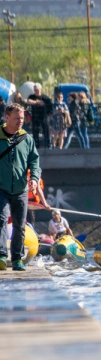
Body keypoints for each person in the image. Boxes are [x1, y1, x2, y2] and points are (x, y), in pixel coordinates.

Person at [0, 103, 41, 270]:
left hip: (20, 189)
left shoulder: (27, 139)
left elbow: (35, 162)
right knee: (1, 219)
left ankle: (17, 258)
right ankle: (2, 255)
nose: (20, 121)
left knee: (19, 224)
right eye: (17, 118)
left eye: (23, 118)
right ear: (6, 117)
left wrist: (35, 179)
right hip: (1, 188)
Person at [26, 84, 52, 149]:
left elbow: (50, 105)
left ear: (40, 89)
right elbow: (29, 101)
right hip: (35, 117)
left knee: (46, 131)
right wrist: (37, 102)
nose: (36, 91)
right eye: (35, 90)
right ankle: (36, 146)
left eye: (37, 90)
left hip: (43, 117)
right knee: (35, 131)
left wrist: (44, 105)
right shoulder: (32, 96)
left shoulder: (45, 98)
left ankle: (47, 145)